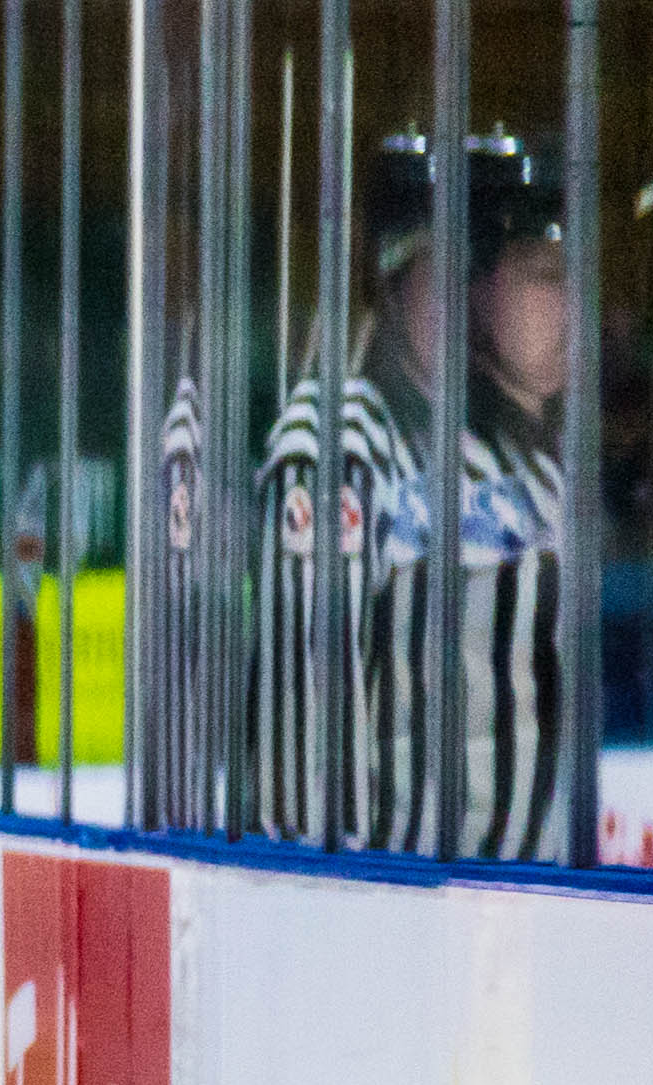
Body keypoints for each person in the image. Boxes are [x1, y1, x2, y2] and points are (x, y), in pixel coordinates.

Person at [253, 131, 569, 859]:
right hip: (401, 919)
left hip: (537, 910)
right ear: (392, 284)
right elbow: (303, 738)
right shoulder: (333, 445)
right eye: (435, 275)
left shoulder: (529, 460)